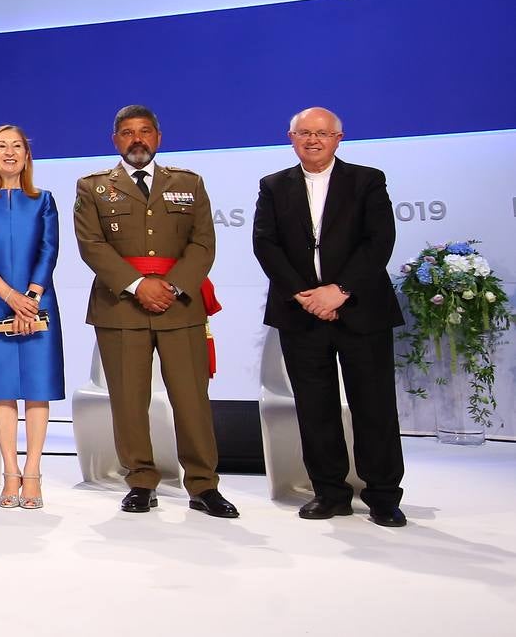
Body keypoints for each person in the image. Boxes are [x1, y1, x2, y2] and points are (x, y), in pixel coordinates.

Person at [74, 104, 237, 518]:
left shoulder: (189, 183)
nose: (137, 140)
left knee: (192, 400)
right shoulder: (92, 186)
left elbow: (203, 245)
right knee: (129, 401)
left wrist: (173, 285)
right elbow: (92, 245)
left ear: (158, 138)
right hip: (121, 307)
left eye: (145, 132)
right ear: (115, 140)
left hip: (179, 305)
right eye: (127, 133)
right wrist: (137, 285)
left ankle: (203, 485)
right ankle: (141, 481)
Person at [251, 107, 406, 527]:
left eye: (322, 133)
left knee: (373, 406)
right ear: (291, 137)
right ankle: (330, 492)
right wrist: (305, 296)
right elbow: (266, 244)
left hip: (361, 310)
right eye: (304, 133)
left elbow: (379, 241)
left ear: (339, 138)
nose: (313, 140)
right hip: (301, 313)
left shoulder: (367, 180)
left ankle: (384, 495)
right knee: (315, 408)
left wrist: (339, 291)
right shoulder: (273, 185)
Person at [0, 125, 64, 511]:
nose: (9, 152)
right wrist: (9, 297)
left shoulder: (44, 200)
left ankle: (33, 472)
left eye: (16, 146)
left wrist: (30, 297)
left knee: (37, 388)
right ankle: (10, 472)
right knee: (2, 388)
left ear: (26, 156)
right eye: (1, 146)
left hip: (38, 300)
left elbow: (49, 249)